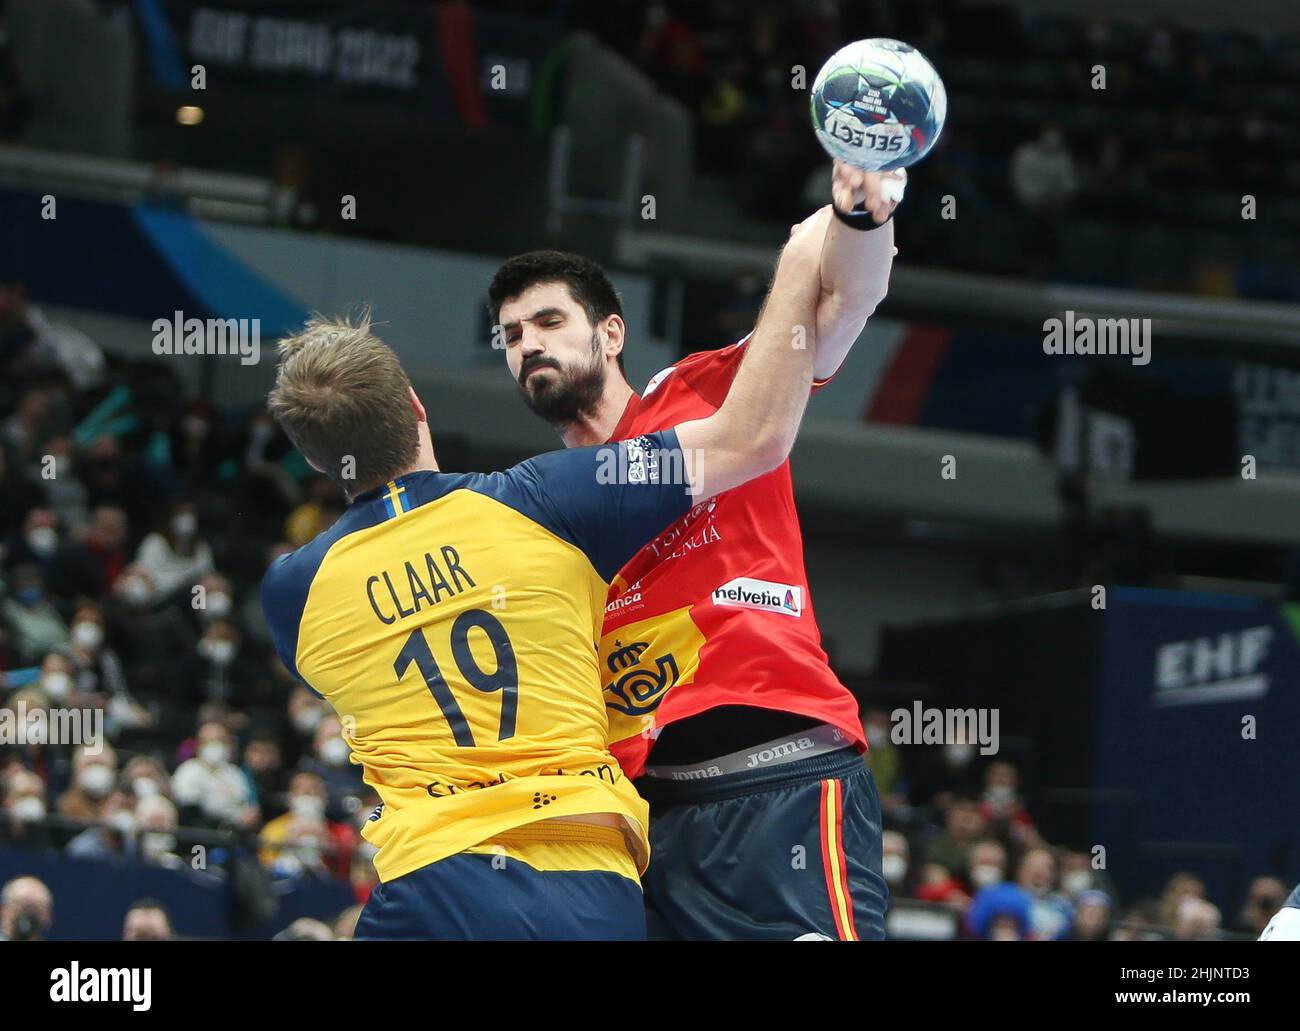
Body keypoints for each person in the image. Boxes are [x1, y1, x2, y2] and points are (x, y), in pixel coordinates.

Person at [260, 210, 826, 941]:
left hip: (431, 884)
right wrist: (803, 253)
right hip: (588, 884)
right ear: (416, 407)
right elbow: (753, 435)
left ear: (313, 459)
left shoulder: (292, 592)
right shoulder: (543, 498)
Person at [489, 162, 899, 939]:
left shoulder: (706, 392)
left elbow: (845, 298)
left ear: (611, 332)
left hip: (778, 773)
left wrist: (859, 220)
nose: (526, 345)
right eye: (511, 336)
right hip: (647, 827)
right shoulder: (543, 508)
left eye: (547, 322)